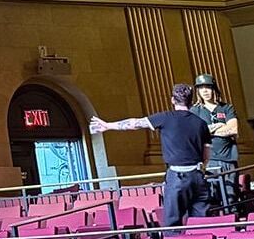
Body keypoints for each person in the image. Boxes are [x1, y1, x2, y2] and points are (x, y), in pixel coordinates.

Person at [90, 82, 212, 227]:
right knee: (202, 223)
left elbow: (135, 123)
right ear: (191, 101)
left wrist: (108, 125)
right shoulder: (201, 123)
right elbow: (206, 155)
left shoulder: (165, 118)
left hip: (177, 177)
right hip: (197, 175)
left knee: (173, 224)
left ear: (172, 100)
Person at [191, 74, 240, 209]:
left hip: (228, 159)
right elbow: (195, 134)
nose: (205, 91)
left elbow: (233, 129)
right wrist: (218, 126)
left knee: (231, 197)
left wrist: (207, 130)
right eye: (201, 88)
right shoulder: (195, 111)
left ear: (214, 89)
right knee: (212, 197)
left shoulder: (226, 108)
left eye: (208, 87)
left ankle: (236, 226)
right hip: (208, 161)